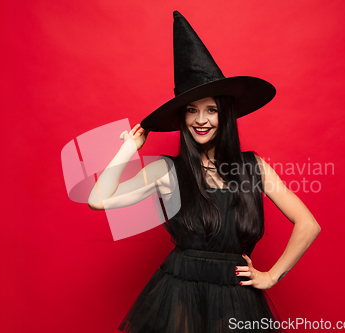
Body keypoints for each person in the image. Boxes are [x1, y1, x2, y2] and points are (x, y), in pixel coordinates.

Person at [88, 11, 320, 333]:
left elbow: (308, 224)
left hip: (236, 297)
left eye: (211, 110)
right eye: (192, 111)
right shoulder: (167, 170)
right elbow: (98, 200)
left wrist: (271, 276)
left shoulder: (253, 167)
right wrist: (129, 148)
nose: (201, 120)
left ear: (224, 115)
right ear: (182, 119)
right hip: (179, 291)